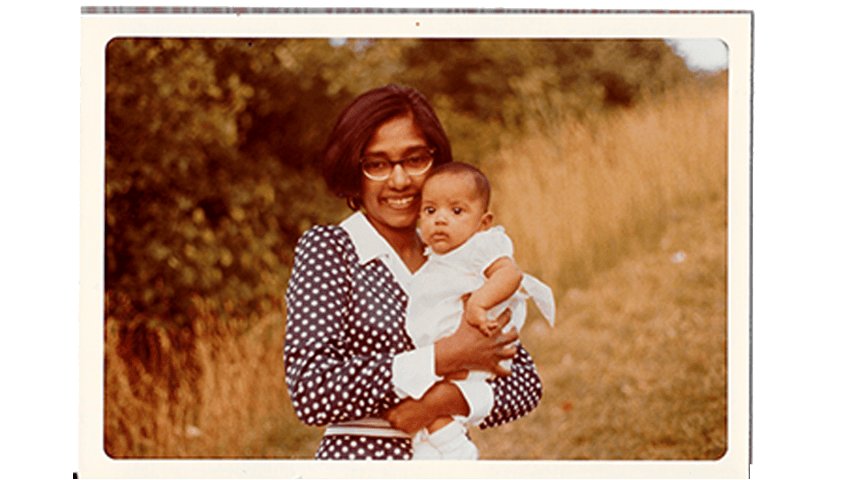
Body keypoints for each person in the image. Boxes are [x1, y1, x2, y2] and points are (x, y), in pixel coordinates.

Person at [284, 85, 543, 460]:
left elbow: (523, 383)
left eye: (415, 159)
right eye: (376, 164)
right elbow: (311, 391)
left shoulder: (456, 253)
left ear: (436, 162)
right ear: (353, 170)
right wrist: (444, 356)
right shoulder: (332, 248)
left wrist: (436, 404)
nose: (400, 181)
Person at [406, 162, 556, 460]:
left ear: (483, 222)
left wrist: (478, 303)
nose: (440, 220)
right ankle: (437, 448)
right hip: (447, 351)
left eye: (456, 211)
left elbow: (509, 274)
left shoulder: (481, 245)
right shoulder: (436, 257)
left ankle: (455, 449)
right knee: (425, 406)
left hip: (475, 343)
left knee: (432, 399)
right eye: (430, 211)